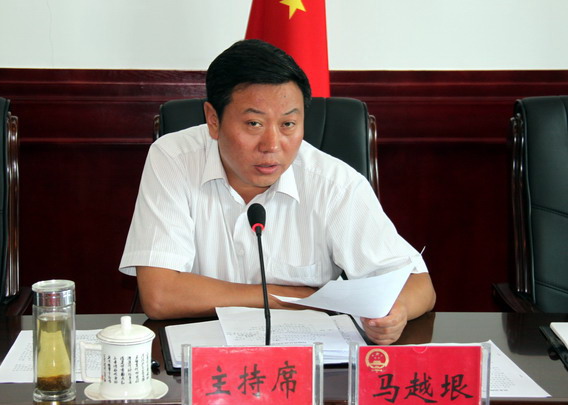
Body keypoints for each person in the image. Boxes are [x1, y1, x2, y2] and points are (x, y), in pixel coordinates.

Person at [119, 39, 436, 345]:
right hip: (197, 361)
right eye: (254, 124)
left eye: (288, 125)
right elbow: (160, 296)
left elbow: (419, 285)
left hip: (307, 364)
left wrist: (396, 312)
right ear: (213, 120)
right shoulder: (174, 159)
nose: (272, 145)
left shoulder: (334, 183)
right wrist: (297, 298)